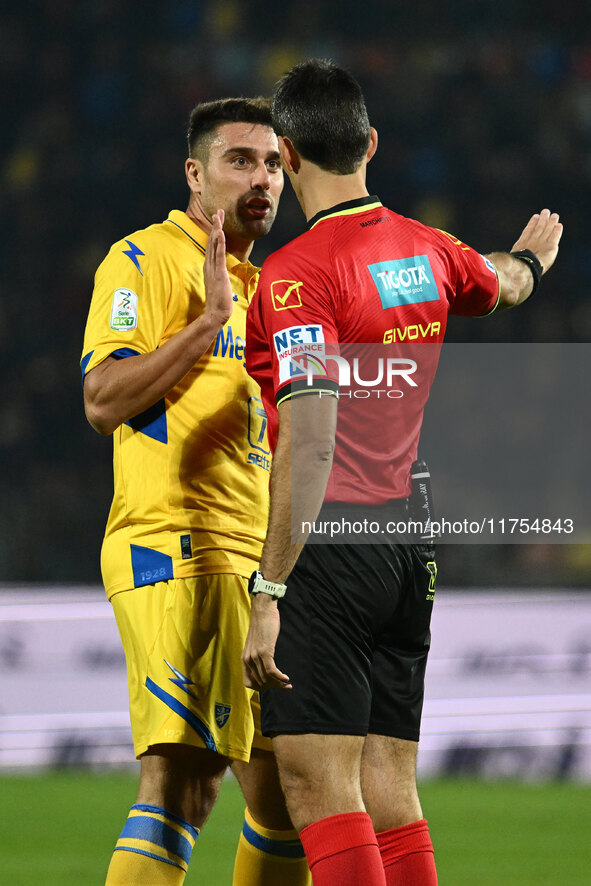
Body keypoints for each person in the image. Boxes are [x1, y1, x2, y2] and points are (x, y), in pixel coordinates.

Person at [204, 61, 562, 886]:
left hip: (332, 545)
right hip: (409, 537)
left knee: (316, 785)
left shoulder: (296, 277)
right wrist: (531, 262)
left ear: (285, 156)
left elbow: (310, 437)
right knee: (389, 787)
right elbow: (501, 284)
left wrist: (271, 590)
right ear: (369, 143)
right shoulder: (430, 250)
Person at [81, 97, 311, 886]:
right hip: (175, 545)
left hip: (255, 564)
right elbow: (103, 398)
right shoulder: (143, 261)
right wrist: (205, 320)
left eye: (274, 164)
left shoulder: (268, 287)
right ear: (195, 172)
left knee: (284, 792)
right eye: (240, 161)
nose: (262, 179)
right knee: (182, 785)